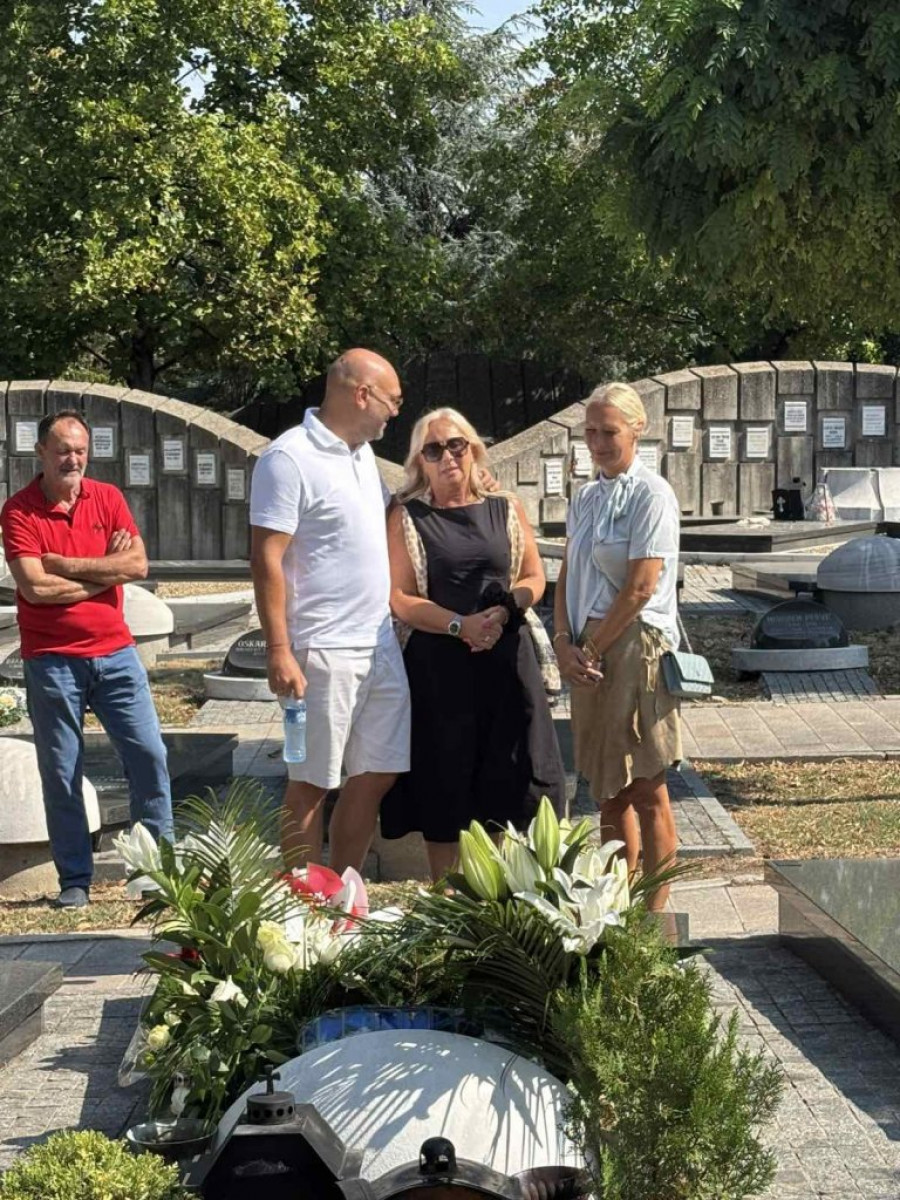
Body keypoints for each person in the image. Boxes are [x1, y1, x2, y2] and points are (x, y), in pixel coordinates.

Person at [380, 407, 566, 881]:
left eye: (456, 445)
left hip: (505, 658)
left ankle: (495, 892)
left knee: (507, 777)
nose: (447, 457)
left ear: (474, 449)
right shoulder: (407, 515)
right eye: (433, 449)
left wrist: (504, 610)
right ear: (419, 461)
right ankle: (446, 898)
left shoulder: (506, 506)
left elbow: (533, 576)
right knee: (444, 781)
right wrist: (460, 626)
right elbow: (400, 597)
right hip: (440, 666)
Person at [0, 411, 173, 908]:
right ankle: (75, 880)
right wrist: (104, 574)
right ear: (41, 453)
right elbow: (35, 587)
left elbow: (137, 564)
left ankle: (156, 873)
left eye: (80, 450)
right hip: (52, 661)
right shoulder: (19, 511)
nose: (72, 459)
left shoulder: (108, 498)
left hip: (116, 653)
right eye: (62, 451)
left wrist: (66, 566)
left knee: (149, 756)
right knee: (62, 772)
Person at [249, 349, 411, 875]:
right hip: (321, 649)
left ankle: (343, 892)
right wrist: (278, 649)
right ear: (361, 394)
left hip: (379, 643)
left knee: (378, 773)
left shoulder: (362, 455)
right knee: (312, 782)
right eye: (392, 401)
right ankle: (303, 902)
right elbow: (266, 557)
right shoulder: (288, 458)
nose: (395, 413)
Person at [552, 382, 681, 911]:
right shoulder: (586, 497)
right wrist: (563, 641)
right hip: (588, 645)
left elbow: (641, 586)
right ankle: (616, 909)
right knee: (606, 787)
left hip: (633, 645)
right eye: (590, 432)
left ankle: (654, 916)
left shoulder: (652, 495)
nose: (598, 443)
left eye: (609, 432)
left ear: (636, 429)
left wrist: (591, 647)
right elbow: (567, 574)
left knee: (645, 785)